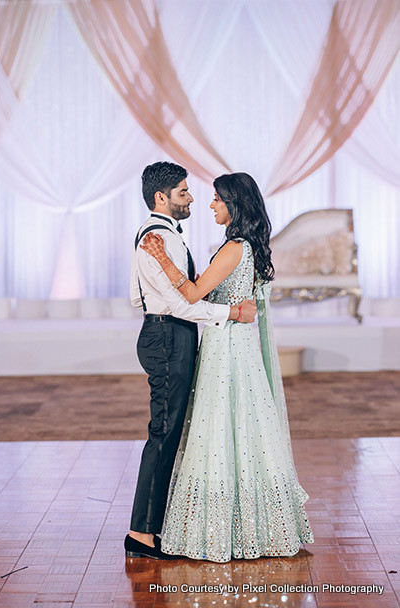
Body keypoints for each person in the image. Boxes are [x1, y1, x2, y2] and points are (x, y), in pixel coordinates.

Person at [140, 172, 315, 562]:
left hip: (228, 349)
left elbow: (190, 292)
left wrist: (160, 256)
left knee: (221, 427)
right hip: (231, 343)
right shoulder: (240, 246)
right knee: (240, 428)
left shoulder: (234, 248)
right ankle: (249, 524)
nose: (211, 204)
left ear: (235, 205)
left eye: (218, 199)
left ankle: (223, 530)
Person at [124, 162, 257, 560]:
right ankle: (141, 535)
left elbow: (141, 295)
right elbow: (182, 302)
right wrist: (230, 314)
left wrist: (156, 308)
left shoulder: (156, 237)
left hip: (166, 333)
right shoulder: (159, 239)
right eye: (184, 192)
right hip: (167, 337)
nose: (193, 199)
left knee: (170, 433)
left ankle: (151, 530)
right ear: (160, 198)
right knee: (163, 434)